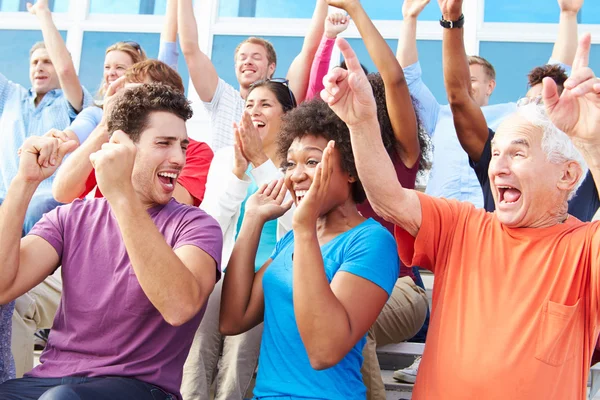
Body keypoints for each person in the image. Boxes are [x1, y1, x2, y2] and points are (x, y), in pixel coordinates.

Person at [322, 21, 600, 398]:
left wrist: (593, 144)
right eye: (496, 153)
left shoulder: (584, 248)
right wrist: (361, 123)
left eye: (518, 153)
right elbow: (388, 197)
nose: (497, 166)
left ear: (568, 175)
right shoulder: (463, 225)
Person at [0, 83, 222, 400]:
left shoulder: (197, 226)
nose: (179, 158)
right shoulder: (70, 218)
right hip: (52, 380)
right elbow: (3, 286)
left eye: (182, 146)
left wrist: (121, 195)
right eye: (164, 143)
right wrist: (24, 183)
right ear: (119, 145)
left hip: (139, 387)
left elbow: (179, 306)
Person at [219, 98, 399, 399]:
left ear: (351, 170)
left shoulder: (371, 242)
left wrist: (303, 229)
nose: (296, 175)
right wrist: (252, 220)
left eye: (312, 162)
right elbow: (232, 320)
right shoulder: (294, 238)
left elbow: (323, 351)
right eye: (290, 163)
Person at [396, 0, 581, 208]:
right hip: (441, 222)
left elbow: (553, 78)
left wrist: (568, 15)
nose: (464, 84)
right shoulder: (438, 115)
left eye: (472, 80)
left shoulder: (515, 115)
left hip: (491, 219)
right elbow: (406, 80)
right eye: (458, 77)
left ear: (490, 86)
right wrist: (409, 19)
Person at [181, 79, 296, 400]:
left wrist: (260, 164)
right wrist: (236, 173)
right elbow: (208, 226)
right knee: (197, 339)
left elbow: (295, 220)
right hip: (224, 272)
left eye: (265, 104)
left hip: (271, 278)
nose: (254, 111)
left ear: (287, 116)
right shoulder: (223, 160)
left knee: (240, 350)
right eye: (249, 105)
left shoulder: (299, 163)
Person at [178, 0, 328, 151]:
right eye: (242, 58)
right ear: (236, 67)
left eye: (256, 57)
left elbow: (309, 51)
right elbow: (190, 49)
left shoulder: (282, 100)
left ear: (271, 67)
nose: (248, 61)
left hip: (269, 173)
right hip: (228, 174)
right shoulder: (223, 97)